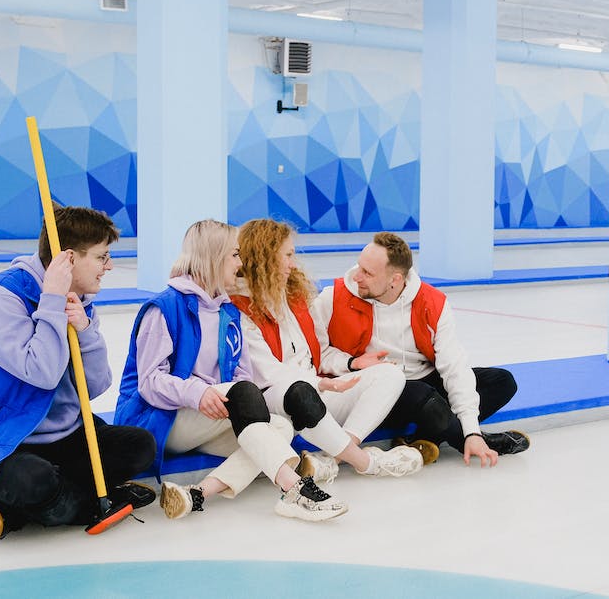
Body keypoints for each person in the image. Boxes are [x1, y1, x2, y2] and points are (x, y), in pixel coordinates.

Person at [0, 205, 157, 541]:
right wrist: (50, 300)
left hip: (59, 436)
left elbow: (95, 386)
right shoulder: (0, 299)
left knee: (140, 447)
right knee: (35, 482)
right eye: (101, 257)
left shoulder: (77, 298)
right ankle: (76, 502)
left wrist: (84, 330)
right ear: (68, 259)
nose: (109, 266)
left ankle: (26, 508)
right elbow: (43, 373)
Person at [115, 219, 346, 522]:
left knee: (279, 428)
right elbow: (149, 382)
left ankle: (195, 494)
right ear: (214, 258)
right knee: (246, 398)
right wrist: (199, 393)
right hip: (163, 420)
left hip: (211, 414)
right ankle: (294, 490)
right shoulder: (164, 307)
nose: (240, 263)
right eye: (234, 255)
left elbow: (241, 376)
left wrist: (218, 396)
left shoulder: (227, 312)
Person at [312, 232, 530, 468]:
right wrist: (353, 362)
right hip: (374, 387)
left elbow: (454, 366)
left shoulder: (432, 302)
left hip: (423, 380)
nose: (356, 276)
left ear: (395, 279)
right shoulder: (332, 298)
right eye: (359, 266)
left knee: (502, 382)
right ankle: (468, 439)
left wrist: (471, 427)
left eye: (368, 273)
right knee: (425, 397)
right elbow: (317, 356)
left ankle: (421, 440)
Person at [231, 218, 423, 484]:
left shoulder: (295, 296)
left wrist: (353, 363)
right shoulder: (239, 308)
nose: (293, 263)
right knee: (298, 388)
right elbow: (268, 374)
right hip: (277, 401)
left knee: (390, 375)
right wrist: (320, 383)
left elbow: (320, 353)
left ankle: (333, 459)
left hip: (317, 394)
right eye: (287, 255)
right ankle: (366, 462)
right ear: (265, 257)